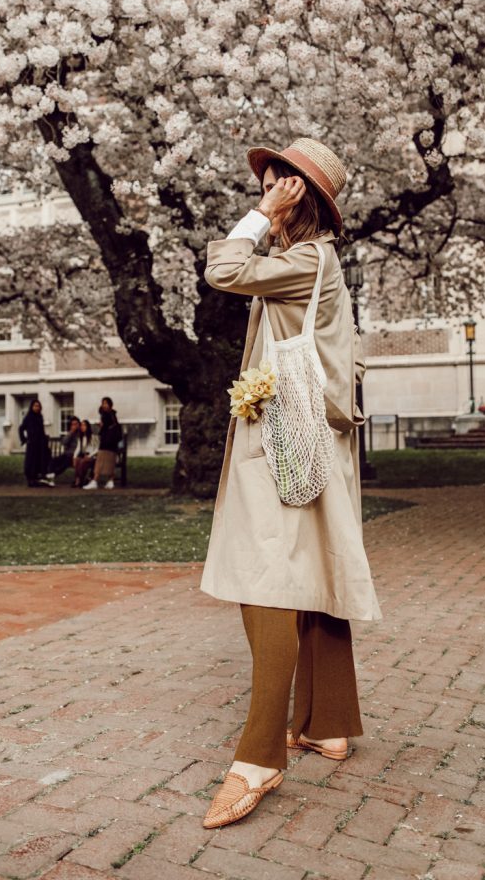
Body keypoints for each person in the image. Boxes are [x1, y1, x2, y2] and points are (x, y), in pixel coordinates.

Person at [200, 137, 382, 830]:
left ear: (297, 195)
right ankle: (325, 723)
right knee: (309, 572)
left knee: (265, 578)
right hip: (304, 434)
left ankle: (258, 758)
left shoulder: (307, 259)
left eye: (278, 182)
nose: (269, 189)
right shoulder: (302, 262)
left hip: (285, 435)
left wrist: (254, 216)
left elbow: (222, 269)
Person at [84, 398, 122, 490]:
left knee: (101, 461)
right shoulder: (111, 414)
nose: (104, 405)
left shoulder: (108, 415)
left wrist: (102, 425)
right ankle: (110, 481)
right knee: (109, 462)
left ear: (110, 405)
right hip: (110, 443)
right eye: (103, 403)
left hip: (107, 443)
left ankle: (95, 480)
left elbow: (107, 426)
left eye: (106, 403)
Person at [18, 399, 50, 488]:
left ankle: (36, 478)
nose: (37, 408)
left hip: (40, 443)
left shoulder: (40, 417)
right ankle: (30, 479)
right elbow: (21, 428)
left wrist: (44, 439)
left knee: (38, 461)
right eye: (35, 406)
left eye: (38, 406)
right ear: (32, 407)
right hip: (32, 442)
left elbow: (41, 430)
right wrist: (24, 439)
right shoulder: (28, 417)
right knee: (30, 461)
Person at [42, 415, 80, 487]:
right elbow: (64, 442)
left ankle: (52, 475)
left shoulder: (80, 434)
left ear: (79, 424)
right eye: (73, 424)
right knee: (53, 461)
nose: (74, 426)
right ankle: (51, 479)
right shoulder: (70, 434)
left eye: (76, 424)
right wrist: (71, 432)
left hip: (75, 456)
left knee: (65, 463)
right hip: (66, 455)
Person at [72, 419, 97, 488]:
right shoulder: (81, 437)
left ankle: (81, 479)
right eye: (81, 425)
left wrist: (90, 455)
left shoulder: (93, 437)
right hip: (84, 455)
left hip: (92, 456)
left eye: (84, 425)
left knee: (83, 462)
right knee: (77, 460)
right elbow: (78, 448)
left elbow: (97, 448)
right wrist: (74, 457)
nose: (82, 427)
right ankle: (78, 479)